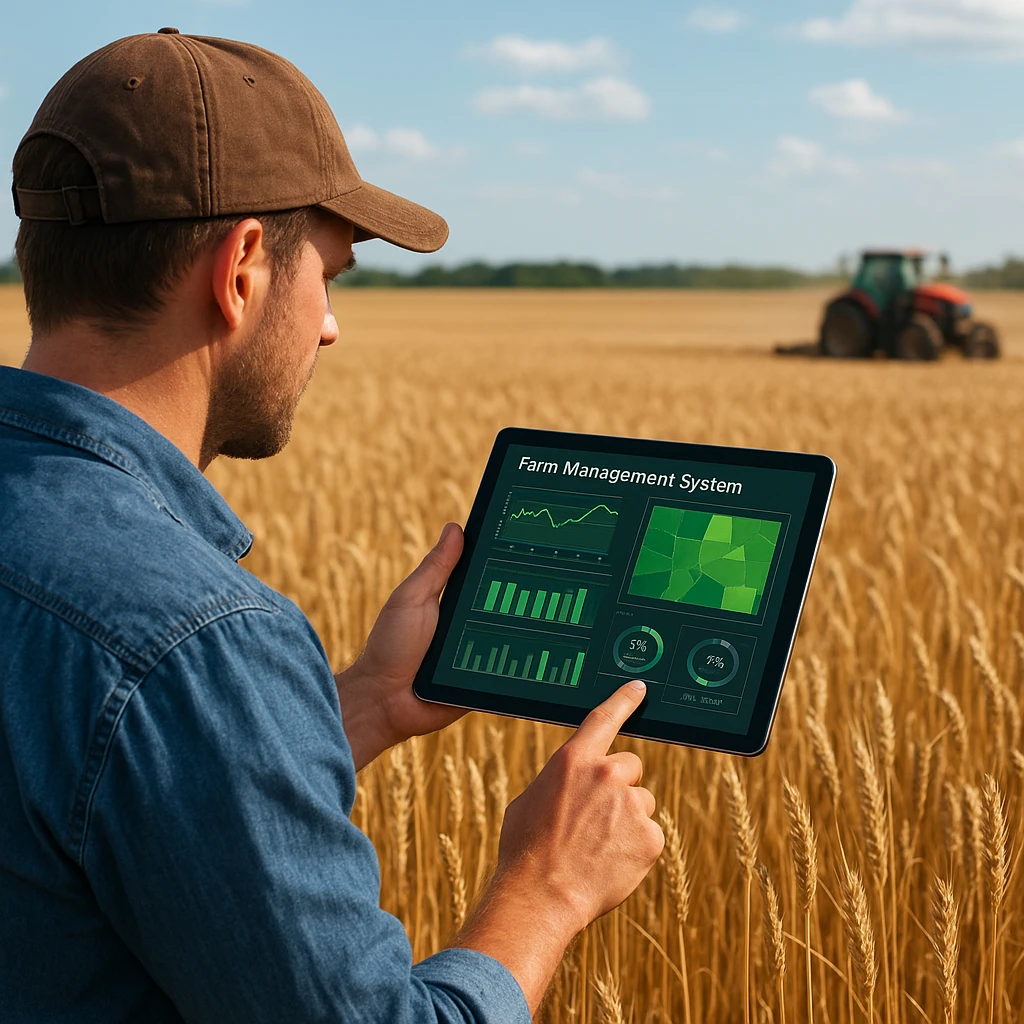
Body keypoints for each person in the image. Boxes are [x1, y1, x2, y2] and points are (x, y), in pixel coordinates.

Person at [0, 29, 665, 1023]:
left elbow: (86, 793)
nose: (328, 325)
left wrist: (366, 704)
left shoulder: (163, 661)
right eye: (332, 275)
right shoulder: (190, 642)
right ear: (240, 269)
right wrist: (548, 890)